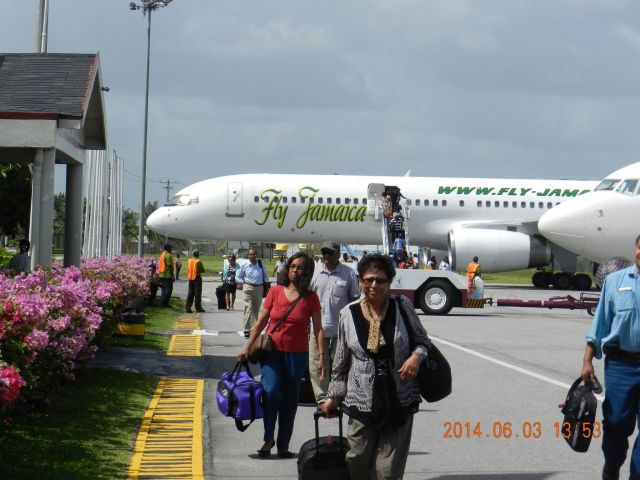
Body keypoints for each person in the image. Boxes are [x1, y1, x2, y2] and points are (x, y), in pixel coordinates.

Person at [322, 253, 429, 479]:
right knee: (357, 458)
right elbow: (341, 361)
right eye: (368, 279)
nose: (374, 285)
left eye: (380, 280)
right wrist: (334, 395)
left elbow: (422, 342)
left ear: (389, 282)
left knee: (387, 472)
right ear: (360, 281)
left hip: (399, 397)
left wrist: (416, 358)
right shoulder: (348, 313)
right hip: (360, 399)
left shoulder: (402, 306)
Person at [238, 252, 325, 458]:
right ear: (287, 269)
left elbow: (318, 329)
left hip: (297, 355)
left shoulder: (311, 298)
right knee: (271, 391)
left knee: (289, 399)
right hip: (272, 352)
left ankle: (283, 444)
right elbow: (260, 322)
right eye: (293, 266)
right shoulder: (276, 291)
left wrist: (321, 357)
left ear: (308, 272)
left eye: (301, 267)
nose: (296, 270)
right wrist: (246, 346)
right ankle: (269, 438)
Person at [581, 234, 640, 480]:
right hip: (620, 366)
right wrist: (587, 360)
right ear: (636, 248)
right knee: (616, 425)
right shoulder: (615, 281)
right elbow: (600, 324)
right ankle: (612, 467)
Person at [309, 242, 360, 407]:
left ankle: (337, 396)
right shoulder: (316, 272)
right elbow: (307, 298)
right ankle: (322, 398)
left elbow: (355, 300)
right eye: (324, 253)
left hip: (340, 328)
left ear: (338, 255)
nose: (327, 257)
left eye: (330, 253)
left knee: (340, 364)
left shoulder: (348, 273)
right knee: (317, 361)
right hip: (318, 327)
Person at [237, 248, 270, 333]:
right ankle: (247, 329)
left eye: (254, 254)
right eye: (250, 254)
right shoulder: (245, 264)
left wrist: (267, 286)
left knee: (256, 309)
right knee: (248, 307)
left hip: (259, 288)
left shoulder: (260, 263)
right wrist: (241, 283)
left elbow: (265, 275)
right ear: (248, 255)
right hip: (248, 287)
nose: (252, 256)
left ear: (256, 255)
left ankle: (253, 329)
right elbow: (238, 276)